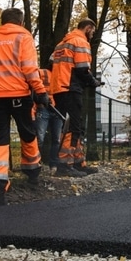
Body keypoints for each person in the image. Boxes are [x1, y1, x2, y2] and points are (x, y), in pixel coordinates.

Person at [0, 8, 49, 207]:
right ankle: (33, 171)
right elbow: (29, 68)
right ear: (21, 22)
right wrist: (41, 92)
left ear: (2, 22)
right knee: (27, 131)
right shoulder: (23, 37)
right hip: (18, 94)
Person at [51, 18, 101, 177]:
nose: (92, 34)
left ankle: (78, 162)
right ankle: (65, 165)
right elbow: (82, 69)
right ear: (88, 28)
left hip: (59, 88)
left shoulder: (61, 44)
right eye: (92, 31)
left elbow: (51, 61)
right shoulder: (80, 42)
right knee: (73, 127)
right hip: (70, 88)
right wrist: (93, 82)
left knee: (73, 126)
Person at [34, 67, 63, 174]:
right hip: (44, 107)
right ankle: (35, 164)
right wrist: (40, 100)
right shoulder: (42, 72)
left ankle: (54, 165)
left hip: (57, 109)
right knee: (39, 138)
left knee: (57, 139)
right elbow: (34, 86)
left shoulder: (63, 76)